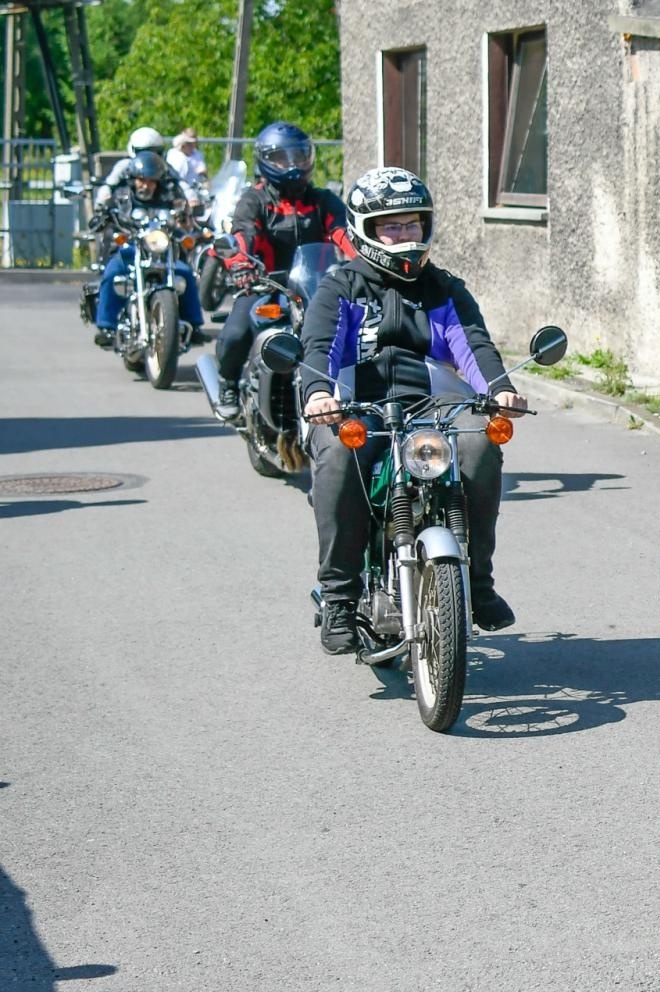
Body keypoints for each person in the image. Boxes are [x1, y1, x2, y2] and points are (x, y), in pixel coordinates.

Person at [297, 166, 529, 654]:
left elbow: (474, 345)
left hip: (434, 406)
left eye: (412, 224)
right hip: (355, 406)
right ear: (365, 228)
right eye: (391, 226)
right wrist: (319, 394)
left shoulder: (444, 287)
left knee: (482, 443)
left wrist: (500, 389)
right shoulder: (340, 287)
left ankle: (478, 582)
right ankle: (340, 597)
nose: (405, 235)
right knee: (339, 458)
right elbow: (318, 348)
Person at [214, 121, 355, 419]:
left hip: (317, 286)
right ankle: (228, 384)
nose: (293, 165)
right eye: (282, 158)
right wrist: (241, 264)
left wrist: (365, 262)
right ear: (265, 160)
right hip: (266, 284)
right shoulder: (255, 200)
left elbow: (345, 233)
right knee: (235, 334)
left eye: (299, 156)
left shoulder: (322, 200)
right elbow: (242, 234)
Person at [90, 150, 207, 347]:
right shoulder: (123, 198)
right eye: (141, 180)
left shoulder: (168, 199)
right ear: (133, 180)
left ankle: (194, 326)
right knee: (113, 273)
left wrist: (186, 215)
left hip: (161, 252)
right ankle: (106, 327)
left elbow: (183, 217)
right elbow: (105, 211)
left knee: (186, 273)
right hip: (131, 250)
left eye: (151, 181)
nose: (146, 185)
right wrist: (105, 215)